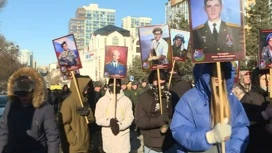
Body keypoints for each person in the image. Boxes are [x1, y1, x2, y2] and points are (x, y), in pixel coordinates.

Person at [170, 62, 250, 153]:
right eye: (212, 71)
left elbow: (240, 128)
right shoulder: (189, 99)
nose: (217, 75)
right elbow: (180, 130)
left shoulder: (231, 99)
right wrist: (209, 137)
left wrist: (233, 151)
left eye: (221, 70)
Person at [0, 67, 60, 153]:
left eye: (25, 93)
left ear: (34, 91)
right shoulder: (10, 106)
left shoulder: (45, 108)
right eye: (19, 94)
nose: (22, 97)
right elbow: (3, 132)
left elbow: (53, 137)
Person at [135, 70, 179, 153]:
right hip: (152, 146)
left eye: (162, 79)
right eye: (156, 80)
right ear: (151, 81)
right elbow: (140, 121)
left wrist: (169, 122)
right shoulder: (144, 97)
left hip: (171, 143)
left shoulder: (172, 95)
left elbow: (180, 116)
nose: (160, 82)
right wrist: (158, 121)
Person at [95, 78, 134, 153]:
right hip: (109, 139)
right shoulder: (102, 101)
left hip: (122, 139)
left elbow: (130, 117)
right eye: (112, 84)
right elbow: (98, 119)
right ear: (109, 85)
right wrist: (109, 122)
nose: (115, 86)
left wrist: (120, 126)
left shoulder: (126, 100)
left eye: (117, 84)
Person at [59, 75, 95, 153]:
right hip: (75, 147)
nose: (88, 87)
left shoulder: (84, 101)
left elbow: (91, 120)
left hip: (85, 144)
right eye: (86, 85)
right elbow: (64, 123)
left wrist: (88, 113)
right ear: (79, 86)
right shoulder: (68, 103)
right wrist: (73, 139)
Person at [239, 67, 272, 153]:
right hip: (256, 145)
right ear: (256, 80)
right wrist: (264, 115)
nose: (268, 82)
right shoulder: (248, 98)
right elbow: (244, 121)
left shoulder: (269, 96)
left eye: (270, 78)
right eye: (264, 79)